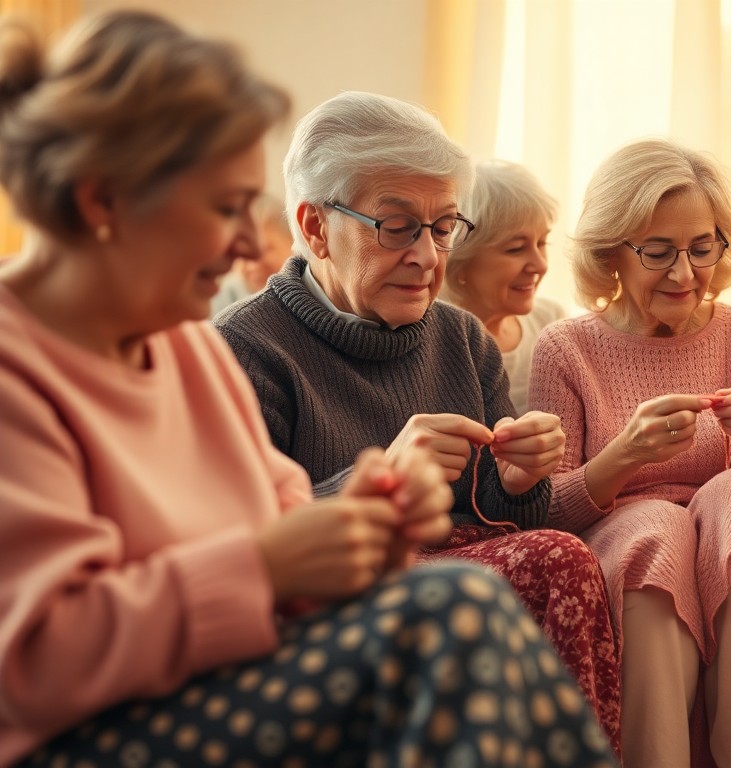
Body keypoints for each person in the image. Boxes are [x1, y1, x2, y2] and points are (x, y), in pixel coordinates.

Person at [0, 11, 616, 767]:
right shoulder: (19, 366)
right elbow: (33, 665)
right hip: (81, 737)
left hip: (210, 690)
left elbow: (279, 519)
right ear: (104, 201)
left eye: (444, 227)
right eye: (226, 208)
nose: (244, 244)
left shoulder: (184, 348)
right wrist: (267, 566)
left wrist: (372, 517)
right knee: (457, 609)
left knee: (467, 605)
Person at [214, 92, 621, 750]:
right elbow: (242, 542)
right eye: (398, 227)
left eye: (444, 228)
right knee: (536, 566)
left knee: (562, 555)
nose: (430, 258)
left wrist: (519, 480)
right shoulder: (245, 346)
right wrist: (370, 482)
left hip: (462, 563)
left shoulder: (461, 337)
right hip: (334, 590)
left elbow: (513, 515)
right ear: (316, 228)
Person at [530, 138, 731, 767]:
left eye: (702, 248)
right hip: (629, 542)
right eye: (658, 252)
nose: (685, 274)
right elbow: (545, 512)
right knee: (657, 524)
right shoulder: (566, 350)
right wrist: (624, 456)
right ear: (611, 253)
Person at [440, 159, 566, 414]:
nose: (539, 265)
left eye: (542, 243)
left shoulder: (550, 323)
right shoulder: (435, 343)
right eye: (516, 249)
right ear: (461, 261)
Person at [209, 194, 292, 316]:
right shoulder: (221, 301)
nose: (253, 265)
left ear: (292, 242)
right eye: (241, 252)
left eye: (266, 249)